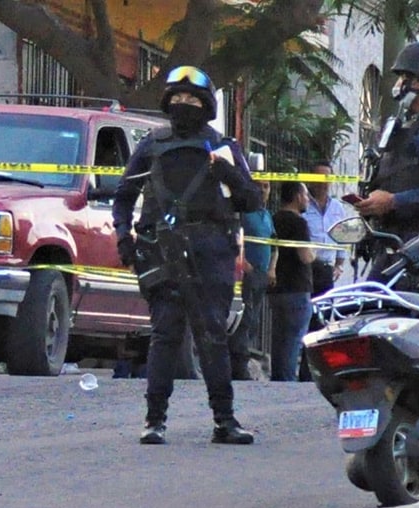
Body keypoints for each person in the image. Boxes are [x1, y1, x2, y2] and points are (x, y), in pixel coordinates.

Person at [112, 65, 262, 445]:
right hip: (161, 250)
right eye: (177, 99)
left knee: (212, 336)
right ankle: (154, 421)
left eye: (192, 100)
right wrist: (124, 238)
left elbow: (252, 202)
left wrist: (228, 172)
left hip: (211, 250)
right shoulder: (151, 144)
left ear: (206, 105)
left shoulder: (223, 146)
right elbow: (123, 197)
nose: (183, 105)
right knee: (164, 335)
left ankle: (224, 421)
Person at [355, 41, 419, 274]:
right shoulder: (411, 127)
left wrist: (393, 201)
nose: (399, 84)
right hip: (399, 249)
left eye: (404, 77)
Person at [227, 179, 277, 381]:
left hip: (262, 275)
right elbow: (234, 237)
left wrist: (272, 269)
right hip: (246, 274)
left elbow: (275, 245)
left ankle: (243, 360)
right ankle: (238, 366)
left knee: (253, 320)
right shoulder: (243, 213)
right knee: (244, 319)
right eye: (259, 185)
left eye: (266, 186)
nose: (262, 190)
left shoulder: (266, 215)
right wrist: (244, 263)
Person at [269, 182, 315, 381]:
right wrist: (316, 255)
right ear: (297, 196)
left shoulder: (274, 219)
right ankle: (287, 382)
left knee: (279, 340)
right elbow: (305, 256)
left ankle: (277, 378)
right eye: (305, 195)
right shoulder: (299, 223)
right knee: (294, 340)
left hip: (277, 288)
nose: (307, 200)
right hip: (297, 288)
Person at [304, 161, 348, 296]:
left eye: (326, 178)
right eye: (318, 178)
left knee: (326, 311)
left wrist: (339, 265)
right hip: (306, 269)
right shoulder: (302, 204)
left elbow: (342, 237)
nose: (322, 183)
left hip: (327, 270)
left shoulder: (337, 207)